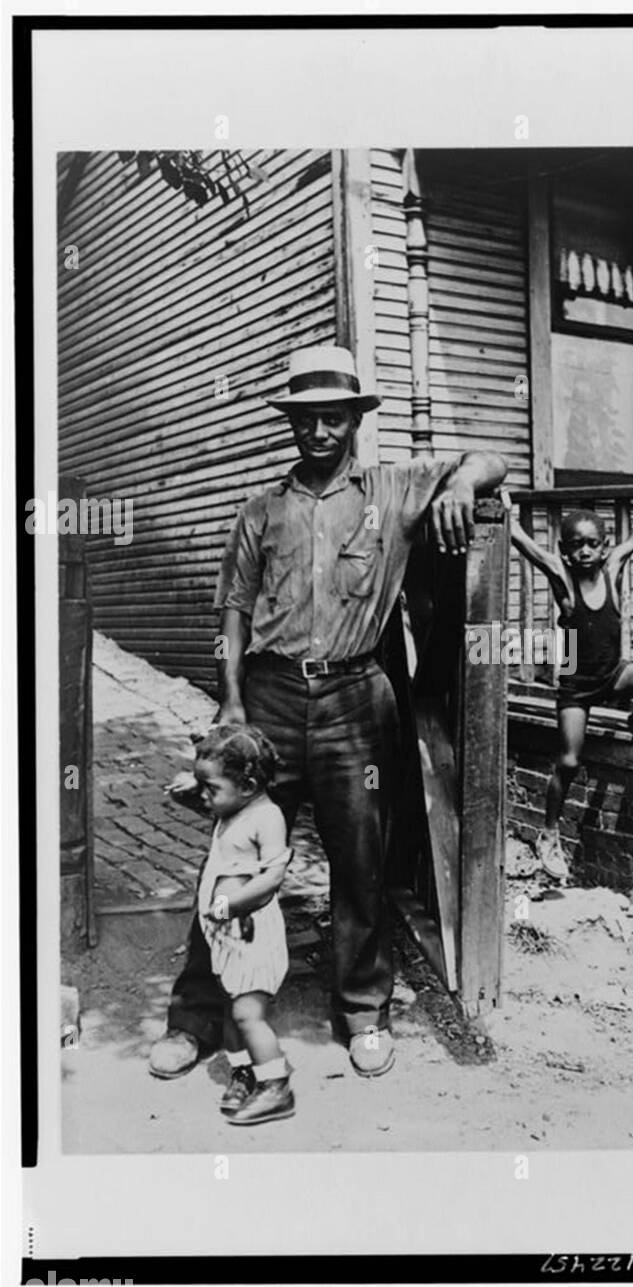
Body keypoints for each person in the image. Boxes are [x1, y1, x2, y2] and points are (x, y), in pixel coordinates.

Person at [149, 344, 506, 1083]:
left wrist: (460, 485)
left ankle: (363, 1012)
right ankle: (196, 1017)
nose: (319, 432)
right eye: (307, 419)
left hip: (354, 697)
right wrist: (233, 697)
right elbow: (233, 614)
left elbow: (490, 457)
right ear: (292, 424)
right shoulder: (261, 511)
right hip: (271, 697)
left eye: (333, 419)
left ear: (354, 422)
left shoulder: (396, 490)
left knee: (360, 858)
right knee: (232, 857)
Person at [504, 473, 633, 880]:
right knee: (570, 759)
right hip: (576, 687)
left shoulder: (614, 567)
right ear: (565, 551)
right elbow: (524, 544)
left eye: (593, 544)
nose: (585, 552)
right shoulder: (563, 579)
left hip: (614, 675)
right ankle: (549, 833)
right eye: (576, 546)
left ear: (604, 545)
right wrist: (505, 509)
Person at [190, 724, 294, 1125]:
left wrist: (228, 904)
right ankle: (244, 1072)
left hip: (251, 935)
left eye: (210, 788)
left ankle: (276, 1086)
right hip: (226, 937)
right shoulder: (231, 806)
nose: (205, 796)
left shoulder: (266, 817)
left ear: (248, 785)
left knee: (249, 1014)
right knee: (232, 1010)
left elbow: (271, 878)